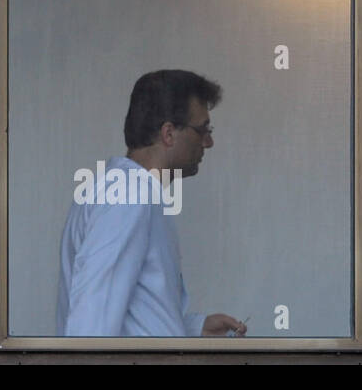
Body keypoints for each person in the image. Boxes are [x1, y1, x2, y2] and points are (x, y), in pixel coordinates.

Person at [56, 69, 248, 337]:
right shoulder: (127, 196)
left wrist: (193, 329)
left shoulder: (125, 192)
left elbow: (131, 316)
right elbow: (92, 319)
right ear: (168, 133)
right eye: (203, 130)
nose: (209, 142)